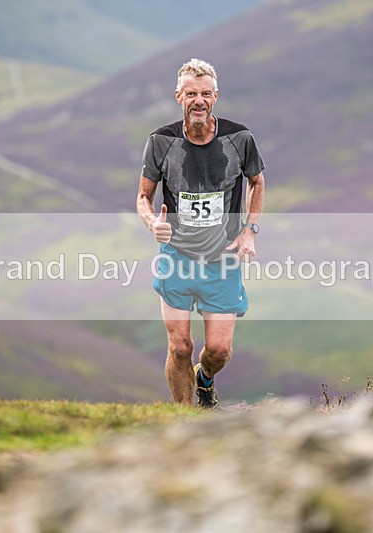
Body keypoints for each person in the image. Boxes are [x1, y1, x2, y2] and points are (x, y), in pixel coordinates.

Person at [136, 58, 265, 408]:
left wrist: (250, 231)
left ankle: (204, 379)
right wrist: (154, 224)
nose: (199, 101)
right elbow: (144, 197)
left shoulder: (239, 138)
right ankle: (184, 418)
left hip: (222, 257)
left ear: (215, 96)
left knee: (219, 350)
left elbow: (257, 181)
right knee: (179, 346)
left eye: (205, 93)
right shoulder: (161, 142)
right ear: (178, 96)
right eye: (191, 93)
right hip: (176, 255)